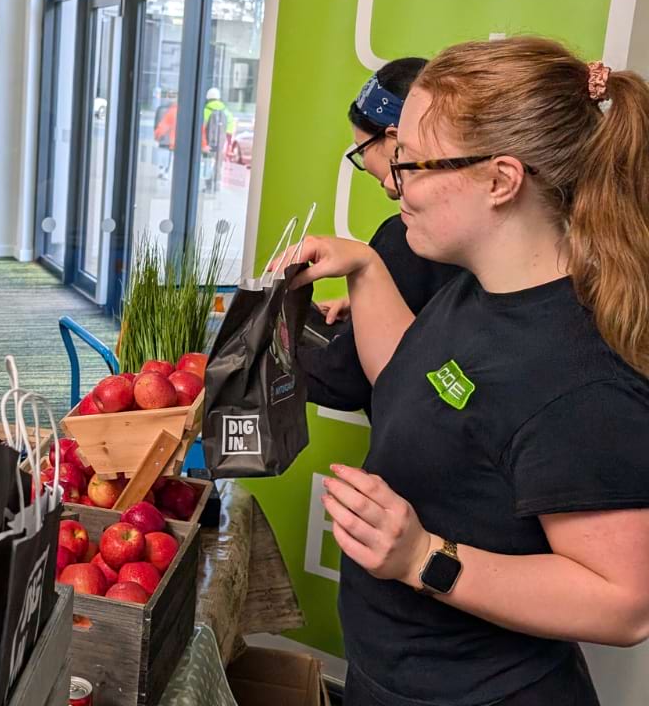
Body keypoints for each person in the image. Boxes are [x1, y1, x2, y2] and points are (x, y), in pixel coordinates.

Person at [282, 37, 649, 705]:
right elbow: (415, 383)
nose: (396, 182)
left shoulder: (584, 380)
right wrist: (366, 269)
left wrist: (426, 558)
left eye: (414, 162)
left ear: (501, 180)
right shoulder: (480, 288)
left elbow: (623, 605)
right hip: (394, 673)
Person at [299, 58, 458, 415]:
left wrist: (263, 351)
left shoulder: (407, 237)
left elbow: (347, 380)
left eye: (406, 159)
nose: (390, 184)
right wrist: (372, 297)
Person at [201, 87, 233, 193]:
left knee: (207, 163)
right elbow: (230, 131)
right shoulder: (227, 111)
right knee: (218, 164)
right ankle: (217, 184)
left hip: (209, 144)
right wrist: (227, 146)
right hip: (221, 144)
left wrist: (204, 144)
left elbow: (202, 129)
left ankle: (208, 186)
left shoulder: (206, 110)